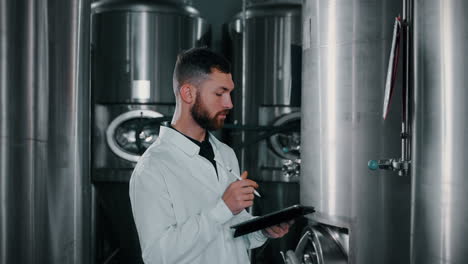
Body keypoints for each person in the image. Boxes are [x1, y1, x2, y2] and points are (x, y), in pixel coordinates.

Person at [129, 47, 292, 264]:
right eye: (219, 93)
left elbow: (232, 235)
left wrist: (262, 230)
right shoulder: (152, 167)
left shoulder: (225, 153)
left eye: (230, 93)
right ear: (188, 93)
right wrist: (223, 209)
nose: (229, 104)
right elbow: (158, 256)